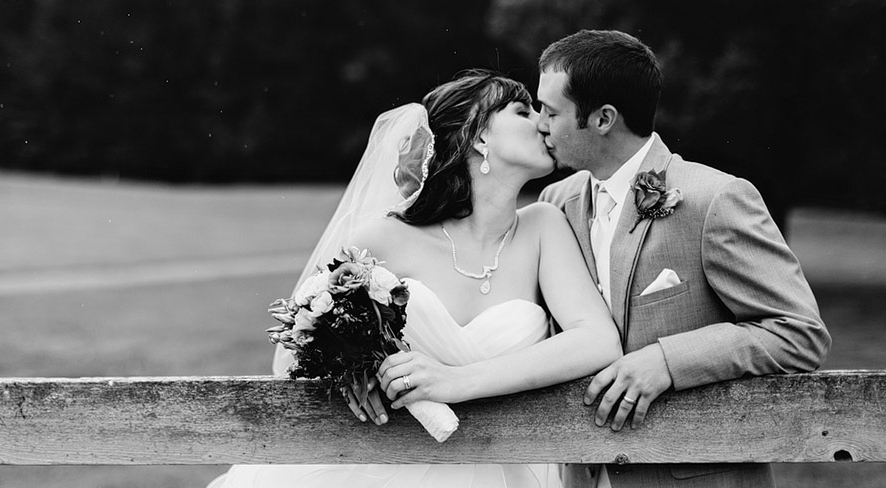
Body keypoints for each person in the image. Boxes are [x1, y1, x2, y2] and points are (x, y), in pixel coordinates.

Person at [208, 69, 622, 488]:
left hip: (502, 465)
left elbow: (597, 340)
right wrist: (352, 371)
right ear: (479, 137)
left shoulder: (542, 228)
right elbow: (295, 350)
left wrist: (457, 382)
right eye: (523, 110)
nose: (543, 121)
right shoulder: (384, 238)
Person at [535, 30, 831, 488]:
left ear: (602, 118)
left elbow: (799, 333)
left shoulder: (715, 199)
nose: (539, 123)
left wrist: (666, 361)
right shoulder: (556, 203)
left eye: (550, 111)